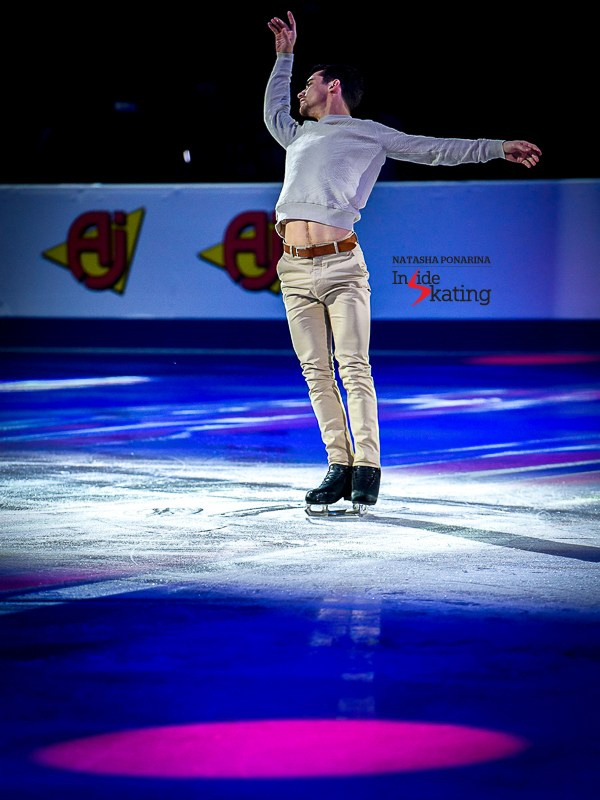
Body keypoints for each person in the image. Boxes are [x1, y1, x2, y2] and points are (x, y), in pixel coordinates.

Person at [265, 10, 541, 511]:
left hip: (342, 267)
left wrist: (498, 147)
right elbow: (271, 114)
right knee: (315, 371)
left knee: (353, 366)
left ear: (334, 86)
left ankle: (367, 466)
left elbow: (435, 150)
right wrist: (284, 58)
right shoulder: (299, 136)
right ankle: (339, 464)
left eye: (308, 82)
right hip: (293, 269)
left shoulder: (369, 133)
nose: (300, 93)